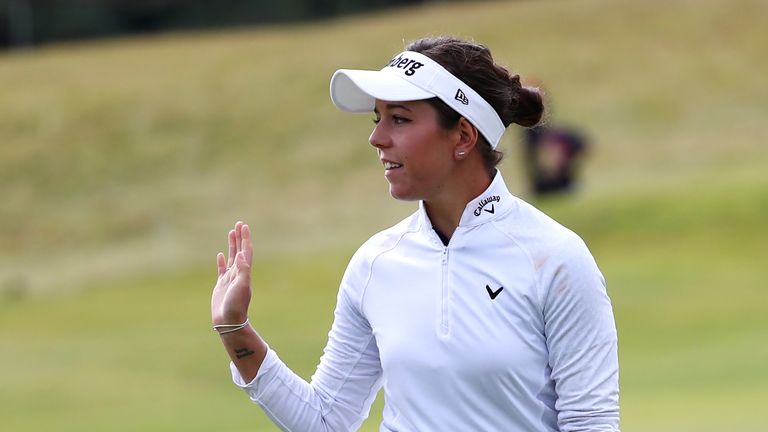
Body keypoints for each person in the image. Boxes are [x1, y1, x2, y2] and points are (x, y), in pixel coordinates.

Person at [210, 36, 619, 431]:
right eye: (378, 118)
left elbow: (590, 424)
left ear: (462, 135)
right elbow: (325, 421)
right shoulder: (375, 263)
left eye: (399, 119)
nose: (376, 137)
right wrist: (236, 330)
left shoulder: (555, 258)